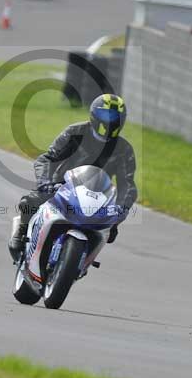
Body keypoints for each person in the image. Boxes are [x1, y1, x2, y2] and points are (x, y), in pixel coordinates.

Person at [9, 94, 137, 258]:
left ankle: (83, 260)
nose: (111, 122)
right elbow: (47, 159)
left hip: (98, 197)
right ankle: (21, 231)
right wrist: (46, 182)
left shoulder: (124, 149)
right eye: (106, 116)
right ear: (94, 115)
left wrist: (121, 208)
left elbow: (128, 185)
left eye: (116, 118)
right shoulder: (75, 132)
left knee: (110, 232)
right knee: (30, 202)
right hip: (62, 186)